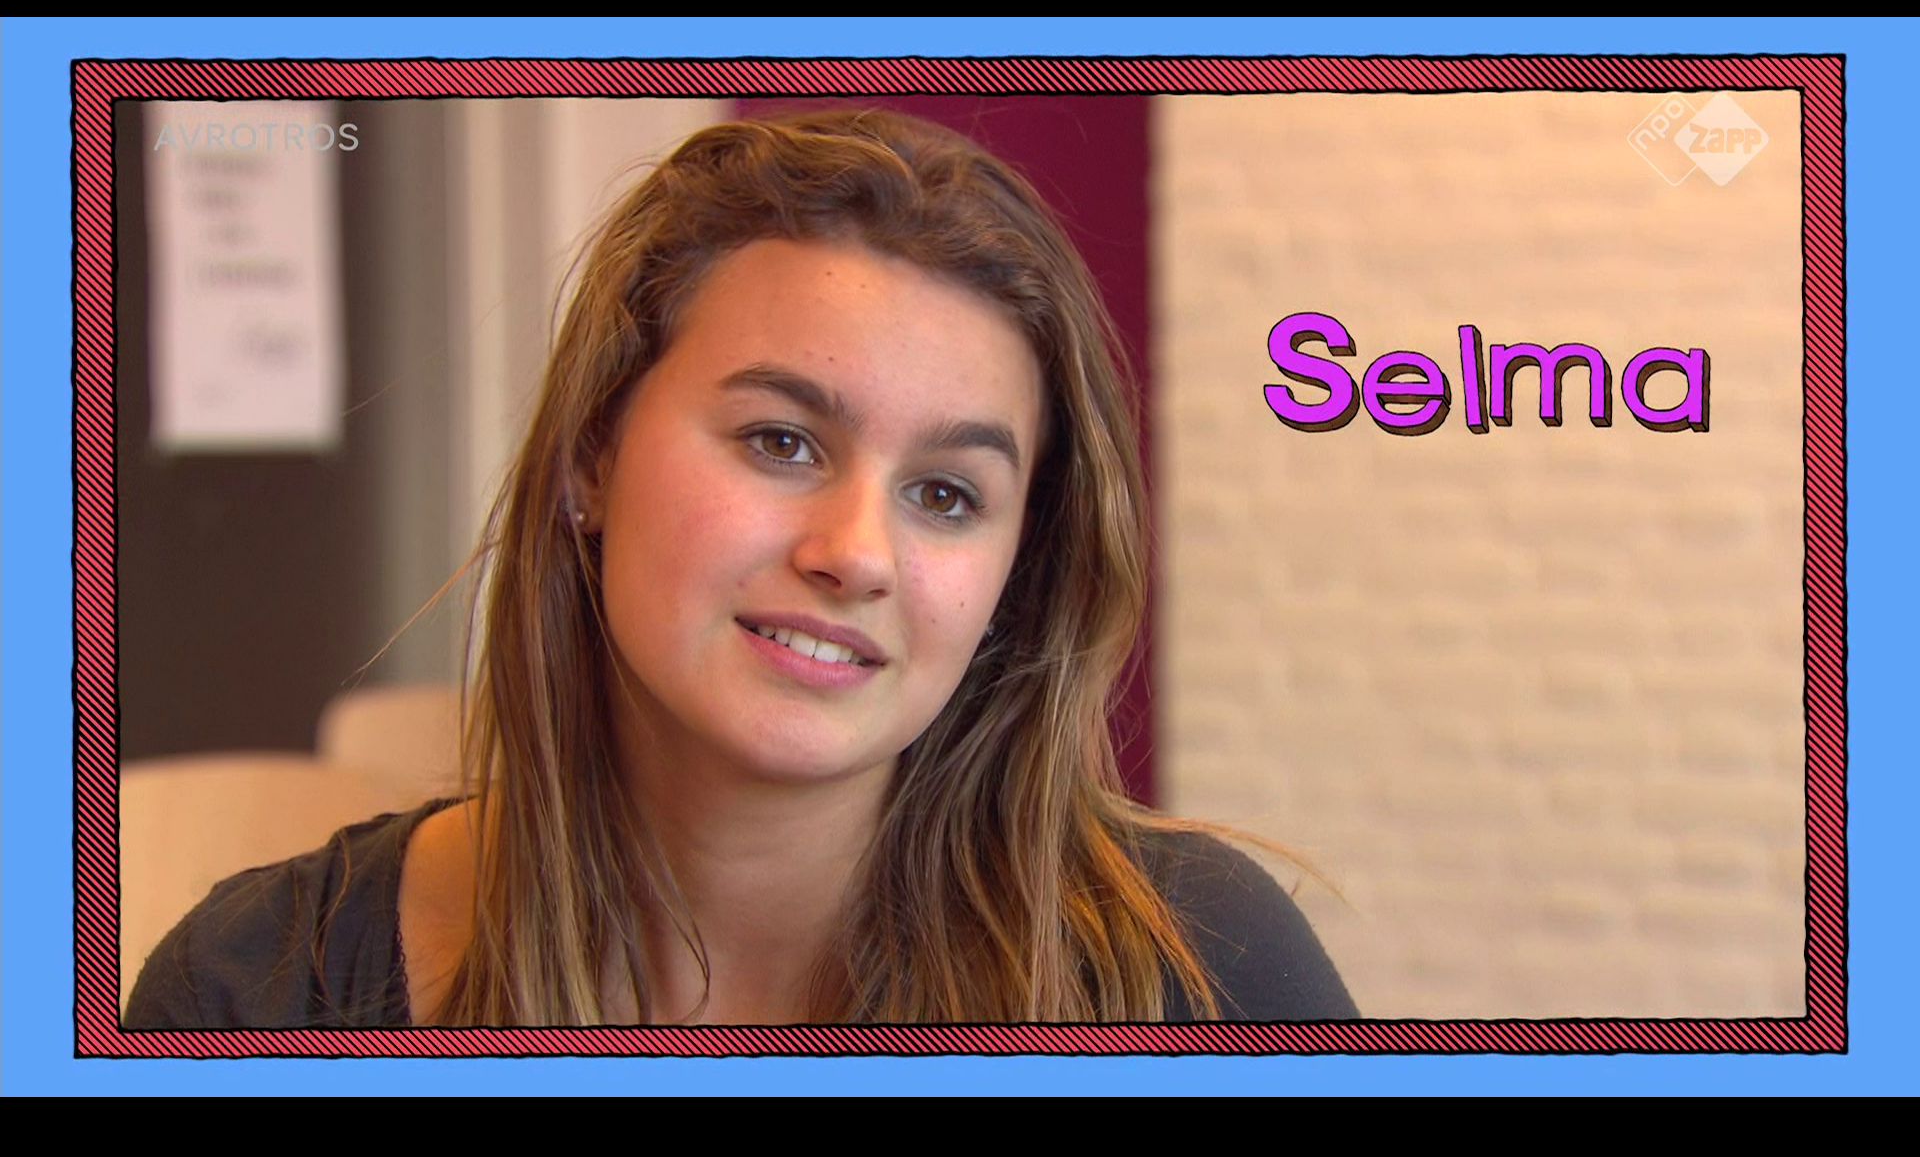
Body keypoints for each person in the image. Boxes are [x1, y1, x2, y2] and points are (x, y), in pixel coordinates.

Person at [124, 109, 1358, 1028]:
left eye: (945, 495)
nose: (855, 555)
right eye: (781, 441)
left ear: (1012, 579)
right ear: (592, 454)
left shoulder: (1202, 970)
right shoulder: (255, 992)